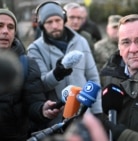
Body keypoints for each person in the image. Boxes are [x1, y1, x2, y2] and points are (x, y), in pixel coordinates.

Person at [0, 8, 60, 141]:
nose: (5, 31)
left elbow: (33, 103)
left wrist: (43, 110)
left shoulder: (26, 64)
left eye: (11, 27)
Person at [27, 1, 102, 129]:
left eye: (58, 20)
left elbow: (93, 77)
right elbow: (40, 85)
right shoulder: (34, 49)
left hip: (84, 115)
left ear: (64, 20)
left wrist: (97, 112)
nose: (55, 25)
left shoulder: (81, 41)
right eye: (49, 22)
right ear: (41, 25)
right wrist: (56, 74)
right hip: (56, 121)